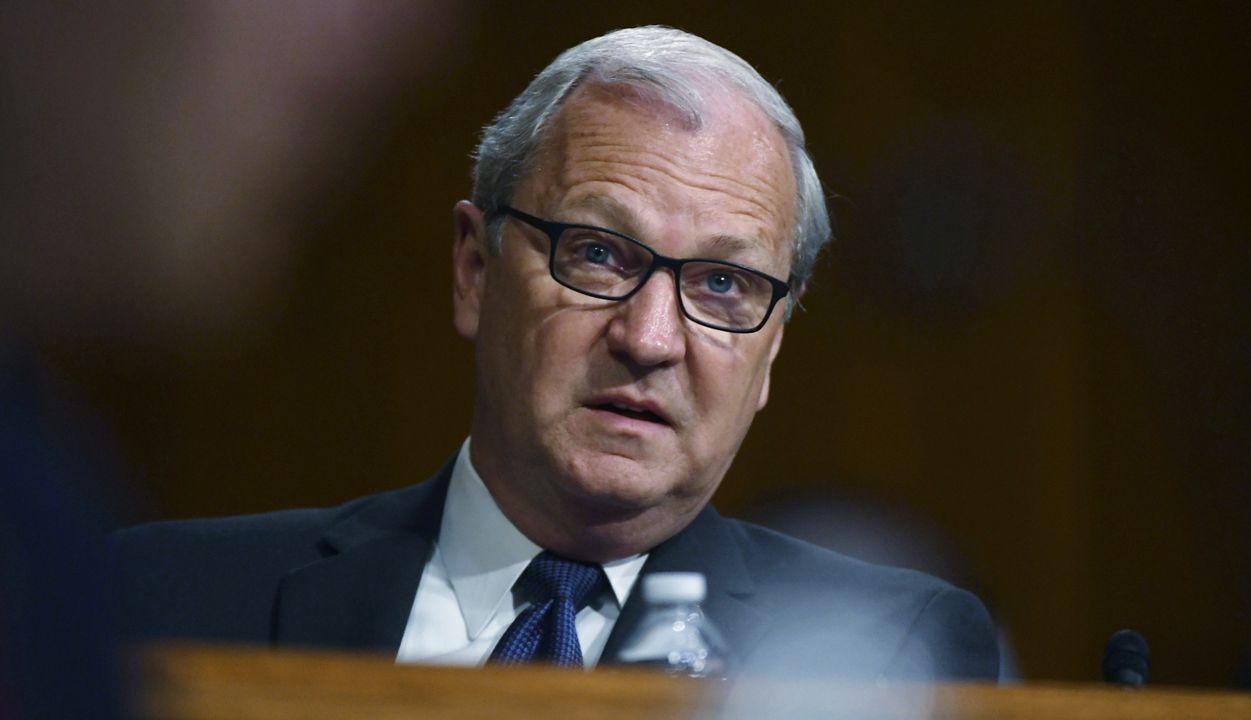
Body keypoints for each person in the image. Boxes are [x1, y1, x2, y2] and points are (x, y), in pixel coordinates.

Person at [113, 26, 999, 681]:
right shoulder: (163, 599)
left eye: (723, 286)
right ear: (474, 270)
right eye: (599, 254)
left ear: (772, 348)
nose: (649, 341)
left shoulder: (891, 653)